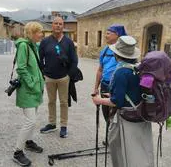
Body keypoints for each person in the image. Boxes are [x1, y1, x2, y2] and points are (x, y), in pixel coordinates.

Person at [92, 36, 154, 167]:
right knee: (139, 150)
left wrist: (99, 100)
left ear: (116, 54)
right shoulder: (138, 68)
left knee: (120, 150)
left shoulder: (121, 72)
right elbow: (134, 92)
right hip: (141, 115)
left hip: (126, 119)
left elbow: (116, 102)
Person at [39, 17, 78, 138]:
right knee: (51, 101)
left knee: (64, 102)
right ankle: (52, 123)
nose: (58, 26)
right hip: (49, 77)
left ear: (63, 26)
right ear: (52, 25)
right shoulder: (45, 42)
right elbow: (40, 59)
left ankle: (63, 126)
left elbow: (74, 60)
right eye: (56, 23)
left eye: (60, 24)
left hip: (63, 78)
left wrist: (69, 75)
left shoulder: (68, 42)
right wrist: (43, 72)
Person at [13, 22, 45, 167]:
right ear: (32, 33)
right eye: (39, 32)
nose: (42, 34)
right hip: (28, 90)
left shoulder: (33, 46)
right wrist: (32, 83)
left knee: (33, 118)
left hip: (35, 90)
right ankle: (17, 152)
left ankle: (29, 142)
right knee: (30, 121)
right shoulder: (24, 46)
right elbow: (21, 68)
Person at [93, 24, 127, 121]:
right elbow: (100, 70)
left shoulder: (125, 52)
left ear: (117, 35)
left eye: (108, 33)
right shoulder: (104, 51)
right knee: (107, 115)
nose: (105, 36)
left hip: (117, 87)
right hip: (105, 85)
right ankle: (109, 135)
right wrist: (95, 88)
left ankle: (114, 134)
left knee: (117, 117)